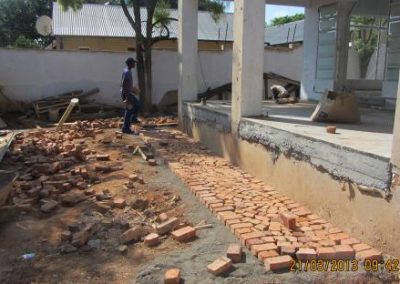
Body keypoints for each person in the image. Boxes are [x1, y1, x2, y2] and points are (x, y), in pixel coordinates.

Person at [121, 57, 140, 134]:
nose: (134, 64)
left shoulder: (128, 70)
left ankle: (133, 119)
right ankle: (126, 128)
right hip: (126, 94)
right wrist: (126, 96)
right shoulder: (127, 72)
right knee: (129, 110)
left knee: (137, 104)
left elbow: (127, 84)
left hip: (128, 92)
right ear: (130, 64)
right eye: (133, 63)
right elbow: (123, 84)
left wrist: (132, 89)